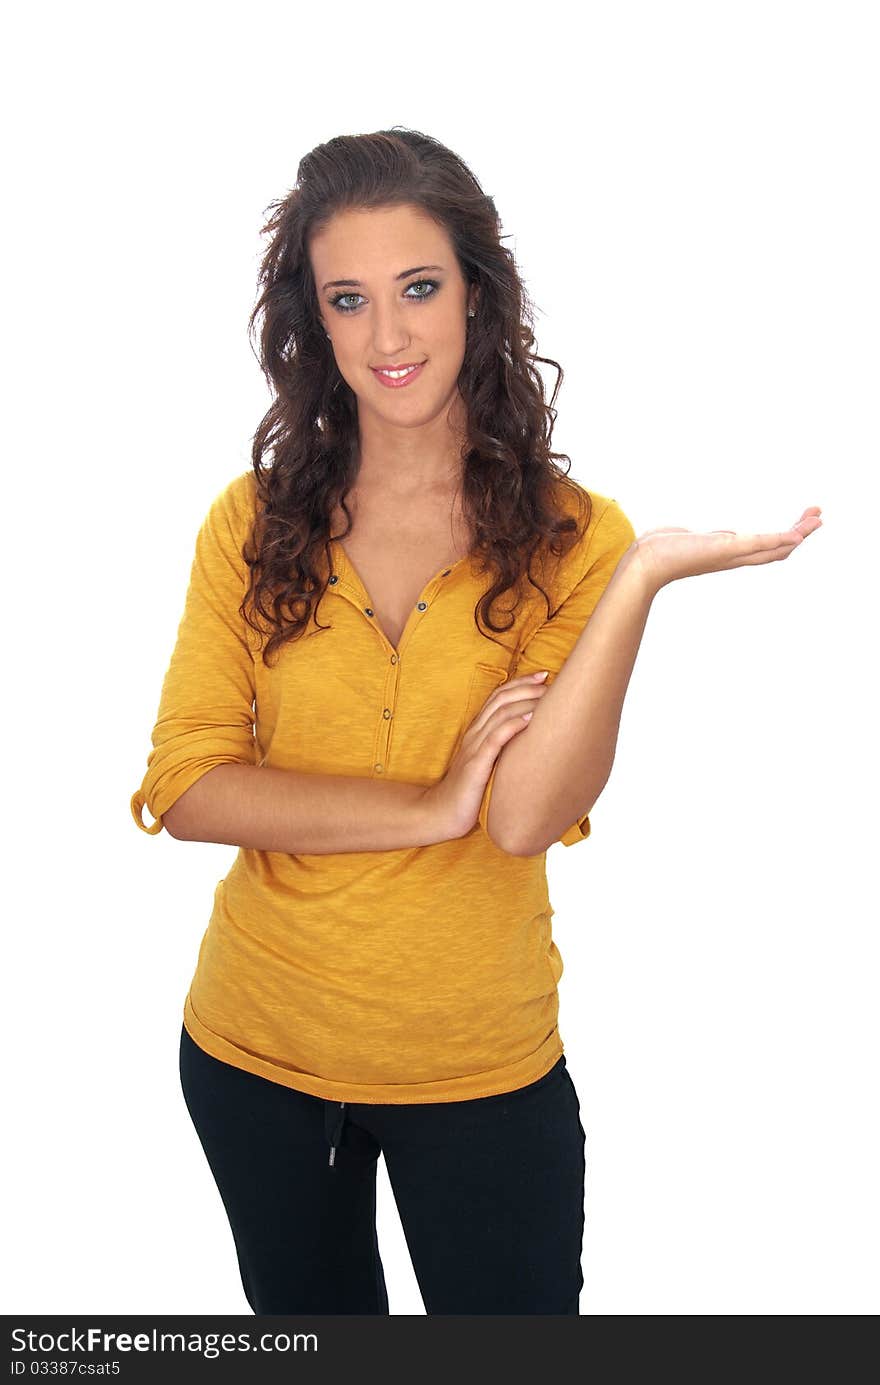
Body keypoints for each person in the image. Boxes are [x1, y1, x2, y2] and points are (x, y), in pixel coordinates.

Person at [130, 128, 822, 1316]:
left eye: (418, 288)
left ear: (477, 293)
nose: (388, 338)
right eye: (349, 300)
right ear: (314, 319)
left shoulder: (576, 536)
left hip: (480, 1066)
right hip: (256, 1054)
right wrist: (429, 800)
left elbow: (524, 817)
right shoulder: (247, 521)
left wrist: (639, 580)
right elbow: (187, 784)